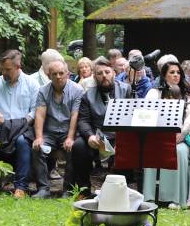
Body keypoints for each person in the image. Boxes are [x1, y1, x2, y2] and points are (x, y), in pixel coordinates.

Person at [0, 49, 40, 196]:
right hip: (1, 126)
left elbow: (35, 110)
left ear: (18, 66)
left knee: (22, 141)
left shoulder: (32, 84)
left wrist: (19, 124)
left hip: (23, 127)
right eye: (2, 69)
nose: (4, 73)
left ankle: (21, 187)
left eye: (7, 69)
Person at [142, 59, 190, 207]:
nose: (175, 75)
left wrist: (181, 135)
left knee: (179, 152)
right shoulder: (154, 93)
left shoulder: (189, 95)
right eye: (172, 72)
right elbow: (146, 116)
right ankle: (150, 197)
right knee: (151, 150)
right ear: (164, 75)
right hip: (157, 136)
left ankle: (175, 198)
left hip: (180, 136)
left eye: (178, 72)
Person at [30, 59, 84, 198]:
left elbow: (75, 115)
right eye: (54, 74)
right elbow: (40, 115)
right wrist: (39, 137)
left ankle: (68, 190)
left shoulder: (77, 90)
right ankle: (43, 188)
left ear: (68, 74)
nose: (58, 76)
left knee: (74, 148)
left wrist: (70, 138)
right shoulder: (43, 91)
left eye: (61, 73)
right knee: (37, 147)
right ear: (49, 75)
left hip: (68, 131)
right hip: (50, 132)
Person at [69, 61, 122, 196]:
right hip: (97, 137)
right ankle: (84, 191)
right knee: (79, 145)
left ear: (114, 73)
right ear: (94, 77)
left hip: (121, 136)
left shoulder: (126, 90)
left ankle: (123, 192)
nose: (104, 76)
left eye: (107, 72)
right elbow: (83, 120)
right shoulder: (88, 95)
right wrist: (90, 136)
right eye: (99, 73)